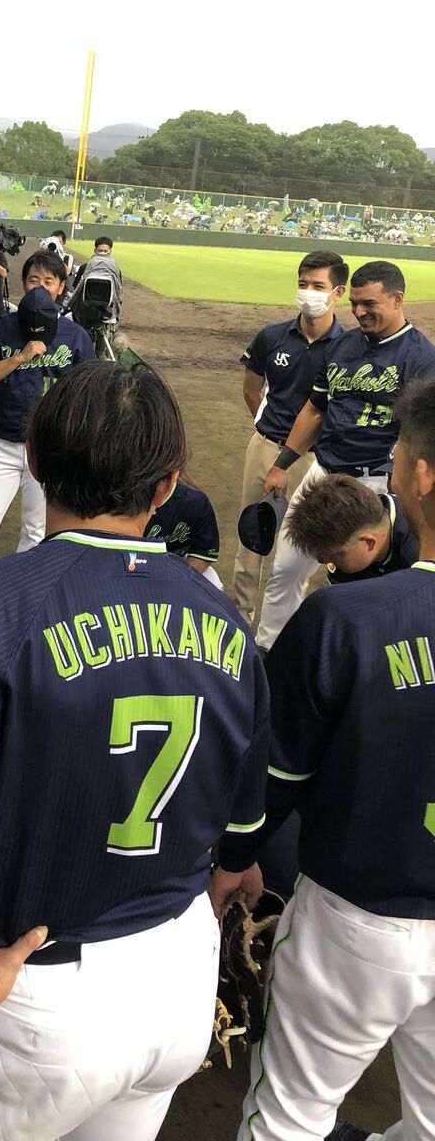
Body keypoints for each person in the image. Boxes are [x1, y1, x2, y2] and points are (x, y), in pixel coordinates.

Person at [0, 361, 269, 1141]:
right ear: (167, 486)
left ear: (34, 461)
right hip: (178, 978)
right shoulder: (226, 623)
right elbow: (240, 844)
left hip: (37, 999)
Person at [210, 372, 435, 1141]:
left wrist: (236, 854)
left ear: (421, 476)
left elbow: (276, 774)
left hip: (360, 920)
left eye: (399, 454)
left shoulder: (343, 617)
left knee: (290, 1116)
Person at [254, 261, 435, 652]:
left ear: (397, 299)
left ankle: (367, 658)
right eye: (354, 303)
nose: (358, 311)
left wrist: (399, 483)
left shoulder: (421, 357)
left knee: (370, 581)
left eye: (369, 303)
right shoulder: (342, 345)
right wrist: (282, 464)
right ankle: (270, 652)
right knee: (286, 568)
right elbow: (315, 409)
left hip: (377, 484)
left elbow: (419, 431)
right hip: (323, 473)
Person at [231, 251, 348, 623]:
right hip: (266, 446)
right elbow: (252, 389)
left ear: (338, 293)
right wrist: (267, 431)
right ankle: (241, 616)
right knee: (252, 537)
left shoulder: (347, 347)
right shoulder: (272, 336)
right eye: (303, 283)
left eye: (318, 285)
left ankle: (284, 625)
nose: (308, 292)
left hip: (313, 459)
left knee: (303, 545)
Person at [0, 251, 95, 565]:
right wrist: (19, 358)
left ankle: (25, 591)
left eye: (49, 281)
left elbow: (87, 393)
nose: (40, 287)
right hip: (4, 444)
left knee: (36, 531)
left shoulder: (75, 335)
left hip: (49, 449)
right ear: (23, 283)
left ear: (61, 287)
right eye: (34, 280)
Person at [284, 472, 418, 584]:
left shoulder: (419, 550)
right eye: (320, 555)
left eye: (335, 556)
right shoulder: (349, 552)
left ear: (369, 543)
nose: (324, 561)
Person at [144, 475, 223, 589]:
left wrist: (175, 581)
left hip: (178, 568)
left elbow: (202, 554)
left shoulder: (194, 501)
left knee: (212, 581)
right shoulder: (121, 501)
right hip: (130, 569)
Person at [59, 234, 121, 314]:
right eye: (100, 251)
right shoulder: (84, 268)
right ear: (95, 250)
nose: (102, 253)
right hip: (88, 309)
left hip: (104, 309)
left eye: (105, 251)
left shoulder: (116, 270)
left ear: (110, 251)